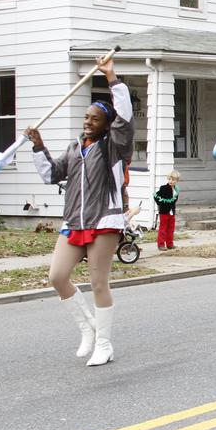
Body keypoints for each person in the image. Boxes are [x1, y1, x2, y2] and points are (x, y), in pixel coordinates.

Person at [24, 56, 133, 366]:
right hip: (74, 221)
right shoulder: (75, 148)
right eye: (86, 117)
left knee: (99, 283)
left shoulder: (114, 146)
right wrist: (38, 145)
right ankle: (88, 328)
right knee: (57, 276)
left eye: (95, 118)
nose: (88, 122)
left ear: (107, 124)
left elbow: (124, 119)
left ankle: (105, 344)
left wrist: (111, 77)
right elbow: (51, 174)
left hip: (104, 220)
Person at [154, 170, 181, 251]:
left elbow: (174, 200)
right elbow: (156, 196)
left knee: (171, 228)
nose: (171, 181)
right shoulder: (163, 188)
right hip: (164, 212)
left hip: (172, 212)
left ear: (176, 181)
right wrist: (161, 203)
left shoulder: (176, 190)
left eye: (173, 180)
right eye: (169, 179)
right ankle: (161, 244)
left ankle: (170, 244)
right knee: (163, 228)